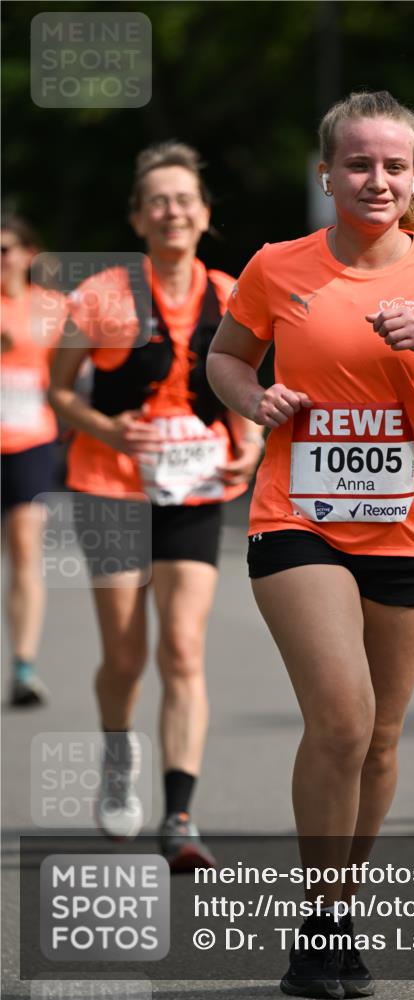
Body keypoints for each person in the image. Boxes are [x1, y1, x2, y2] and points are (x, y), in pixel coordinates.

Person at [207, 90, 414, 999]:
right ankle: (314, 928)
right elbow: (225, 356)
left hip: (410, 528)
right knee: (338, 718)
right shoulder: (276, 266)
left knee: (376, 741)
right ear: (326, 172)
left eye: (394, 165)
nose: (377, 180)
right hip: (298, 517)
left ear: (412, 176)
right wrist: (254, 400)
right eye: (359, 163)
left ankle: (336, 912)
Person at [48, 142, 264, 871]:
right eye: (158, 201)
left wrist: (252, 440)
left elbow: (249, 392)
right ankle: (118, 756)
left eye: (186, 200)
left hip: (196, 492)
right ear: (139, 217)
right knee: (126, 653)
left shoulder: (234, 295)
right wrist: (110, 427)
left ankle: (179, 813)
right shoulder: (104, 295)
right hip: (110, 487)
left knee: (181, 647)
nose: (173, 211)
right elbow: (58, 393)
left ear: (204, 216)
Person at [1, 214, 68, 706]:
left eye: (7, 249)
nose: (1, 259)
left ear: (28, 254)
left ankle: (24, 666)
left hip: (31, 440)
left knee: (25, 549)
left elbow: (72, 378)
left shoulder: (54, 309)